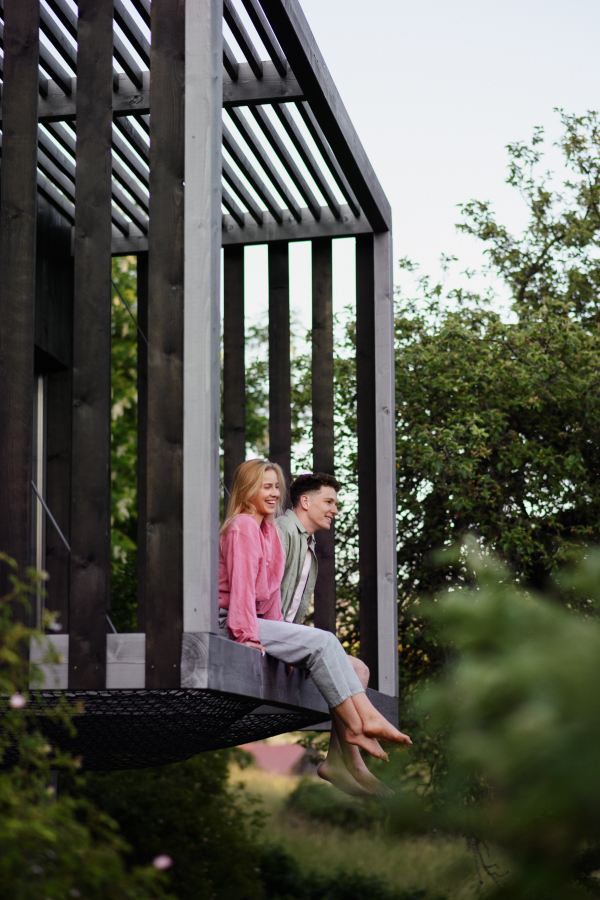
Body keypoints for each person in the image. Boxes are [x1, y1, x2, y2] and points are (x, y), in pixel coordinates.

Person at [218, 458, 412, 768]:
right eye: (266, 486)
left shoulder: (267, 532)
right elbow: (240, 591)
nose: (273, 493)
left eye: (276, 487)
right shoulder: (245, 527)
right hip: (235, 625)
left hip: (261, 625)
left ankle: (345, 759)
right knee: (324, 642)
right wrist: (247, 637)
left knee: (355, 667)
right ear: (248, 489)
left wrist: (288, 646)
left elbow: (271, 601)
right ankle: (363, 722)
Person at [277, 473, 395, 797]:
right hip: (267, 635)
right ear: (305, 501)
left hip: (285, 636)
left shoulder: (307, 543)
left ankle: (336, 760)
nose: (335, 509)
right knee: (332, 647)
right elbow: (266, 595)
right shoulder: (283, 532)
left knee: (360, 670)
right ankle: (356, 766)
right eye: (329, 501)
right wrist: (285, 646)